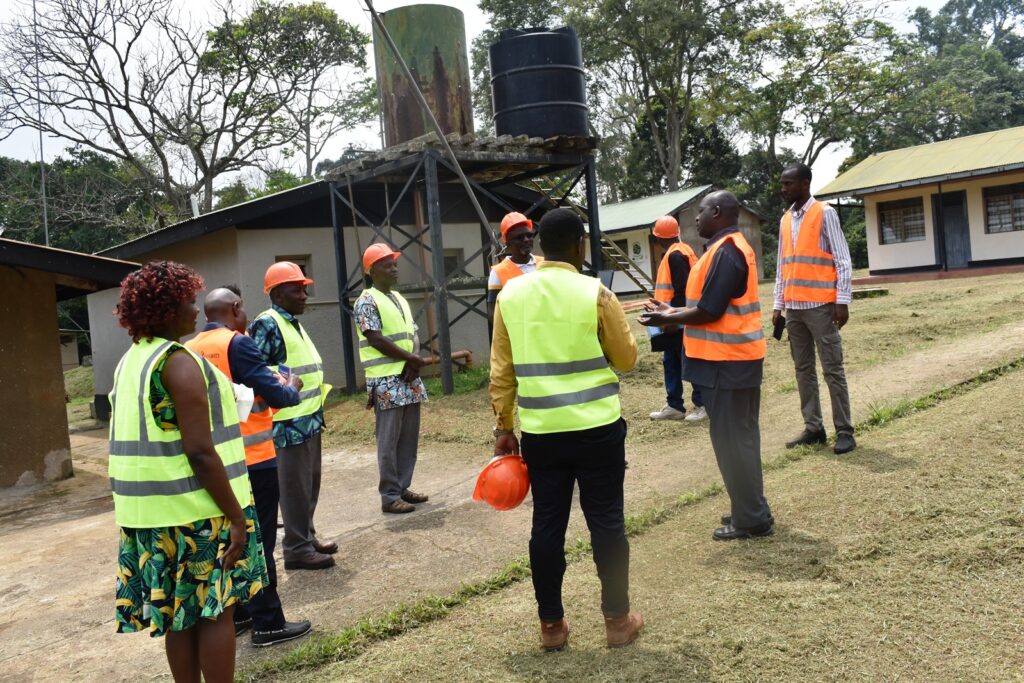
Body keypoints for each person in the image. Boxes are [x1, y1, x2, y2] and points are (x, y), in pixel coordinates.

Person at [490, 207, 643, 651]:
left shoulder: (511, 297)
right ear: (579, 246)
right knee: (607, 523)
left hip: (541, 434)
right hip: (598, 429)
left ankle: (552, 628)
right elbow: (627, 360)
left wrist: (504, 426)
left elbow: (502, 372)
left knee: (547, 526)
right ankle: (617, 621)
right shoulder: (596, 294)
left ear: (540, 246)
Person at [108, 261, 267, 683]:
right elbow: (200, 451)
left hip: (150, 520)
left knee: (179, 618)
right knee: (217, 613)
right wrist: (236, 517)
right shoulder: (178, 363)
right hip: (198, 515)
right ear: (164, 309)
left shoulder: (130, 362)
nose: (196, 311)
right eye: (187, 302)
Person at [640, 191, 774, 541]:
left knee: (734, 441)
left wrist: (668, 315)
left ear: (716, 212)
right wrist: (670, 313)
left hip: (727, 363)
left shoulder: (727, 251)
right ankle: (750, 508)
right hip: (729, 363)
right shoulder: (721, 249)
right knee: (739, 439)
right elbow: (706, 305)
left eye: (700, 212)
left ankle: (751, 518)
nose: (695, 218)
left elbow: (709, 310)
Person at [186, 287, 313, 647]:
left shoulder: (191, 349)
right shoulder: (238, 344)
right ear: (236, 308)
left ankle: (239, 613)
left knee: (230, 539)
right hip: (254, 461)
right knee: (260, 542)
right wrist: (292, 385)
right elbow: (276, 396)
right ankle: (269, 623)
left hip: (216, 461)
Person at [249, 262, 336, 570]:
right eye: (296, 289)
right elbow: (257, 372)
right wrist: (286, 385)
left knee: (309, 484)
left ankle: (306, 536)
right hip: (288, 421)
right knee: (294, 488)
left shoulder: (290, 322)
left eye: (304, 289)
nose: (304, 295)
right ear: (276, 293)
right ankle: (296, 548)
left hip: (308, 418)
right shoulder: (268, 323)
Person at [775, 163, 856, 455]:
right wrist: (778, 305)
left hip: (822, 307)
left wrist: (842, 300)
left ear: (805, 183)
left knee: (832, 369)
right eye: (782, 184)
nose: (783, 190)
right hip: (794, 309)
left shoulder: (825, 213)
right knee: (803, 370)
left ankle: (844, 430)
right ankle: (814, 428)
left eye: (788, 184)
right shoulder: (785, 220)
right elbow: (782, 267)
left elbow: (842, 260)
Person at [354, 243, 430, 514]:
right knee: (388, 440)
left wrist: (415, 360)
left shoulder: (399, 299)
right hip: (386, 379)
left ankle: (402, 487)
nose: (395, 269)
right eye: (388, 265)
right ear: (372, 271)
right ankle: (389, 495)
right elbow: (374, 337)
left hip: (408, 377)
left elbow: (413, 334)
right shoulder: (366, 300)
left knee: (408, 438)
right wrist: (409, 359)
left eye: (395, 264)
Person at [648, 214, 707, 422]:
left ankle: (702, 404)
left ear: (658, 238)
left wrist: (673, 320)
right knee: (671, 360)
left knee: (687, 360)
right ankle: (675, 406)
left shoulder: (675, 256)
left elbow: (682, 292)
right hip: (675, 317)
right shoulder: (683, 250)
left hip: (677, 320)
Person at [487, 211, 544, 322]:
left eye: (529, 235)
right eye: (520, 237)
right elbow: (492, 314)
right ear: (508, 243)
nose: (526, 240)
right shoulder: (498, 272)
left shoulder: (544, 264)